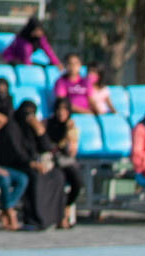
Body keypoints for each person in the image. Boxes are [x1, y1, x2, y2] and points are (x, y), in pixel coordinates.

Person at [0, 99, 65, 229]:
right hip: (16, 164)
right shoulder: (12, 127)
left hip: (33, 163)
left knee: (58, 175)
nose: (28, 117)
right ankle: (34, 219)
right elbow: (15, 153)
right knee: (35, 178)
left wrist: (40, 132)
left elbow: (46, 148)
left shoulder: (33, 127)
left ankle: (55, 218)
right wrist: (31, 164)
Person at [44, 97, 84, 227]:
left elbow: (71, 152)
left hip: (66, 161)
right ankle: (61, 217)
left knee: (77, 181)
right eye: (59, 109)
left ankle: (67, 206)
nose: (61, 112)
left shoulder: (72, 128)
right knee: (59, 179)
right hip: (51, 162)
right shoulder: (47, 124)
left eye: (64, 109)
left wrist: (68, 133)